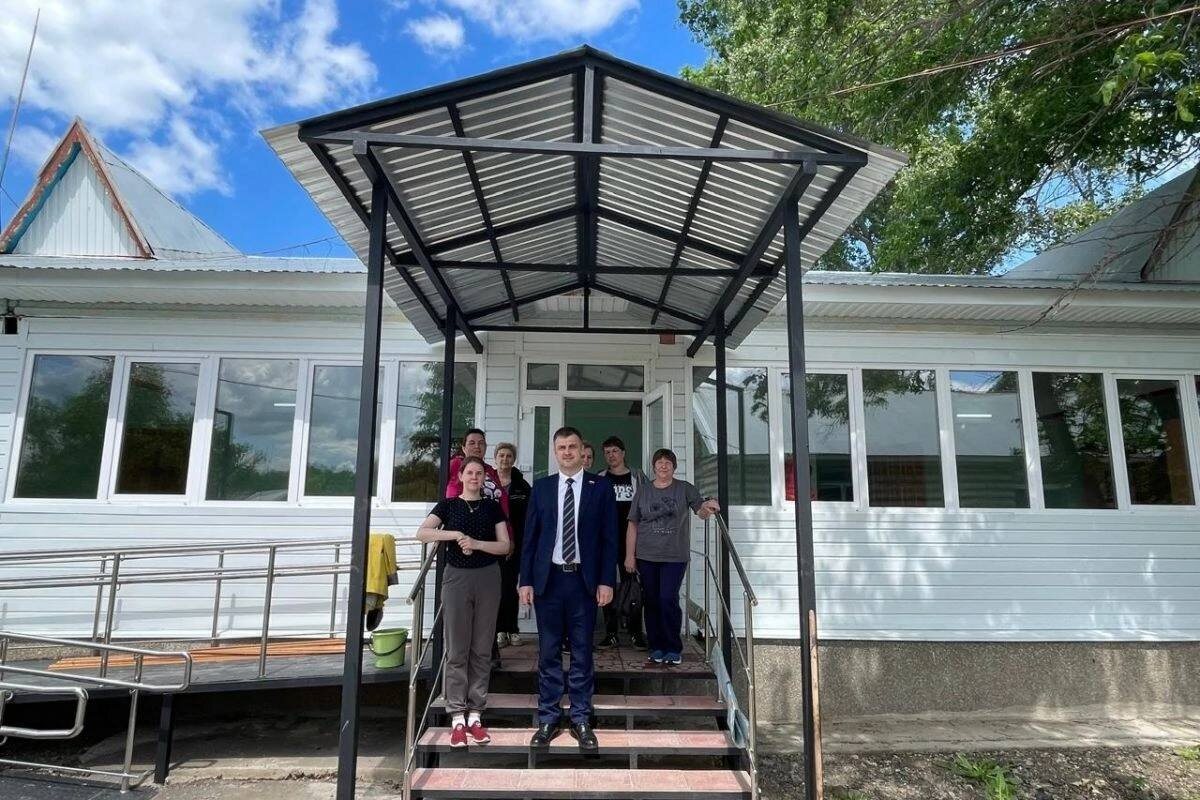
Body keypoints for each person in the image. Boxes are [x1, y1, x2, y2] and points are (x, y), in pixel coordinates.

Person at [518, 426, 617, 752]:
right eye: (561, 447)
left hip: (583, 583)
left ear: (581, 450)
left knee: (582, 652)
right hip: (548, 582)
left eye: (572, 446)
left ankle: (580, 718)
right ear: (555, 451)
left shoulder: (600, 487)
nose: (567, 452)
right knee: (548, 651)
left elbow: (609, 539)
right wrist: (525, 580)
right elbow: (530, 538)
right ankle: (548, 717)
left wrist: (606, 580)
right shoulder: (542, 488)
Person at [417, 457, 511, 748]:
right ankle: (457, 715)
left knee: (481, 648)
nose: (474, 477)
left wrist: (477, 544)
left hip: (488, 578)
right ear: (460, 476)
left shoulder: (492, 507)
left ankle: (476, 713)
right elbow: (422, 533)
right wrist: (456, 534)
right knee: (457, 647)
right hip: (456, 578)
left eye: (479, 473)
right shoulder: (448, 505)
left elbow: (505, 546)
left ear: (484, 478)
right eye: (469, 472)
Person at [624, 448, 719, 666]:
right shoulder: (643, 491)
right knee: (651, 600)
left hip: (674, 556)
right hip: (646, 555)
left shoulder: (684, 488)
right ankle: (656, 646)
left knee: (667, 598)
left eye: (668, 462)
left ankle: (673, 647)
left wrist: (708, 507)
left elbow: (700, 512)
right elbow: (633, 524)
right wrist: (630, 555)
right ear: (654, 466)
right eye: (659, 462)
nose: (663, 465)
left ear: (674, 467)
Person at [597, 436, 648, 649]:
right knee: (606, 584)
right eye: (607, 452)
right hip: (607, 541)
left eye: (615, 451)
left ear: (623, 453)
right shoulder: (600, 477)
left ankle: (636, 632)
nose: (611, 455)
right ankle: (611, 633)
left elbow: (647, 506)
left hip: (633, 541)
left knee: (633, 586)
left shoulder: (637, 477)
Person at [493, 442, 530, 648]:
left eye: (509, 456)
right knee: (496, 587)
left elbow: (529, 517)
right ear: (495, 458)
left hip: (516, 544)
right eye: (501, 455)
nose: (505, 459)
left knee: (510, 586)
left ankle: (512, 629)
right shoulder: (488, 483)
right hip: (491, 544)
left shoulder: (522, 486)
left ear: (514, 459)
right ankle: (499, 630)